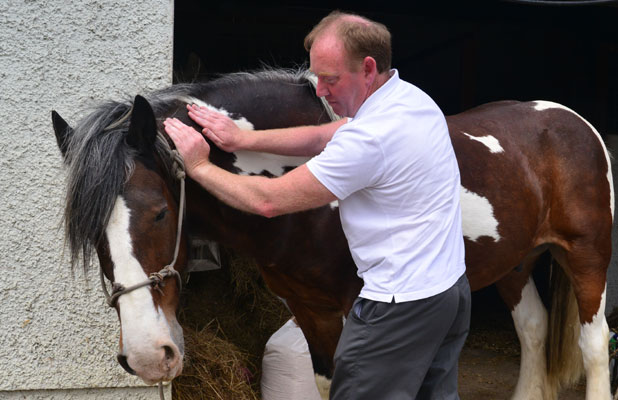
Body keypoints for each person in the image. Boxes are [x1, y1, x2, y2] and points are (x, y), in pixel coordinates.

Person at [164, 11, 470, 400]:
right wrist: (243, 141)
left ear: (369, 68)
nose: (321, 91)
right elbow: (327, 133)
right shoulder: (409, 98)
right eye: (317, 78)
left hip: (398, 310)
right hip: (449, 292)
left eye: (330, 79)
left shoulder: (370, 140)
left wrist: (199, 166)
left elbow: (268, 201)